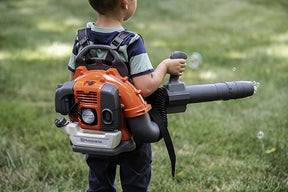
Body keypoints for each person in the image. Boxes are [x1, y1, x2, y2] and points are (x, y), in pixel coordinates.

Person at [67, 0, 186, 191]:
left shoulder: (81, 39)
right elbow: (145, 87)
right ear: (125, 3)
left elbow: (74, 81)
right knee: (135, 184)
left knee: (99, 183)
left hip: (95, 131)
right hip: (131, 132)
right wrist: (164, 67)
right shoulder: (131, 41)